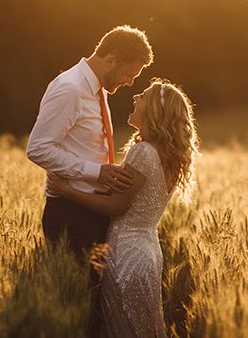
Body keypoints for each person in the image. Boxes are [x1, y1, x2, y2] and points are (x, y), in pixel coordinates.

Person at [26, 25, 154, 336]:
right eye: (130, 73)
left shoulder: (95, 88)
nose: (130, 82)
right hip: (70, 213)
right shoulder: (70, 88)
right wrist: (96, 173)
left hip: (90, 210)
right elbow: (38, 148)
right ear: (110, 60)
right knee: (78, 311)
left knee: (92, 310)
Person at [49, 78, 200, 337]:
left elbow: (116, 206)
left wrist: (67, 191)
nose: (134, 98)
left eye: (141, 96)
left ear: (153, 109)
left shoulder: (142, 151)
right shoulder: (168, 155)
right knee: (143, 327)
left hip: (126, 252)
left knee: (124, 328)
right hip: (149, 251)